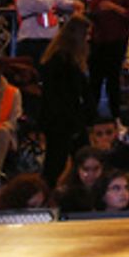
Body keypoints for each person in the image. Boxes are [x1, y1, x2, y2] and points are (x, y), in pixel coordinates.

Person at [39, 16, 93, 186]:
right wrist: (75, 122)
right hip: (63, 121)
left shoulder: (61, 58)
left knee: (59, 160)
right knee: (59, 162)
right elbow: (63, 96)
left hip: (62, 119)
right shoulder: (63, 61)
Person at [86, 0, 129, 117]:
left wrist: (114, 7)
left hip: (116, 40)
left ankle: (115, 114)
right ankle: (91, 115)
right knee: (94, 79)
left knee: (113, 79)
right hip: (97, 40)